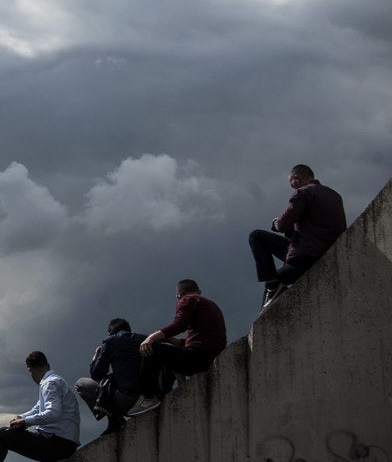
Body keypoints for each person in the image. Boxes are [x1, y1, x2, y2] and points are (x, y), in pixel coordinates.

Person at [248, 164, 346, 305]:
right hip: (326, 252)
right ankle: (273, 288)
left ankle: (272, 287)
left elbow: (283, 224)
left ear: (296, 178)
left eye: (292, 184)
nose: (293, 188)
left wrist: (275, 223)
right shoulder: (335, 196)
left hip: (304, 256)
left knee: (256, 236)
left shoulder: (302, 192)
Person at [137, 278, 226, 407]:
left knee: (153, 349)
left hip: (198, 358)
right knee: (168, 354)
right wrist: (171, 340)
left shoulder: (187, 299)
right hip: (211, 357)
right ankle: (163, 397)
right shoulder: (211, 305)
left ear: (179, 295)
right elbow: (200, 341)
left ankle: (148, 397)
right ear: (199, 291)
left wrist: (151, 338)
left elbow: (180, 325)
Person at [75, 318, 150, 435]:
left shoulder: (110, 341)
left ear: (110, 333)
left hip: (128, 400)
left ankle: (114, 418)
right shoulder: (145, 339)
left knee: (81, 383)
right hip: (149, 398)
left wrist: (96, 356)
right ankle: (115, 418)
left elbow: (96, 373)